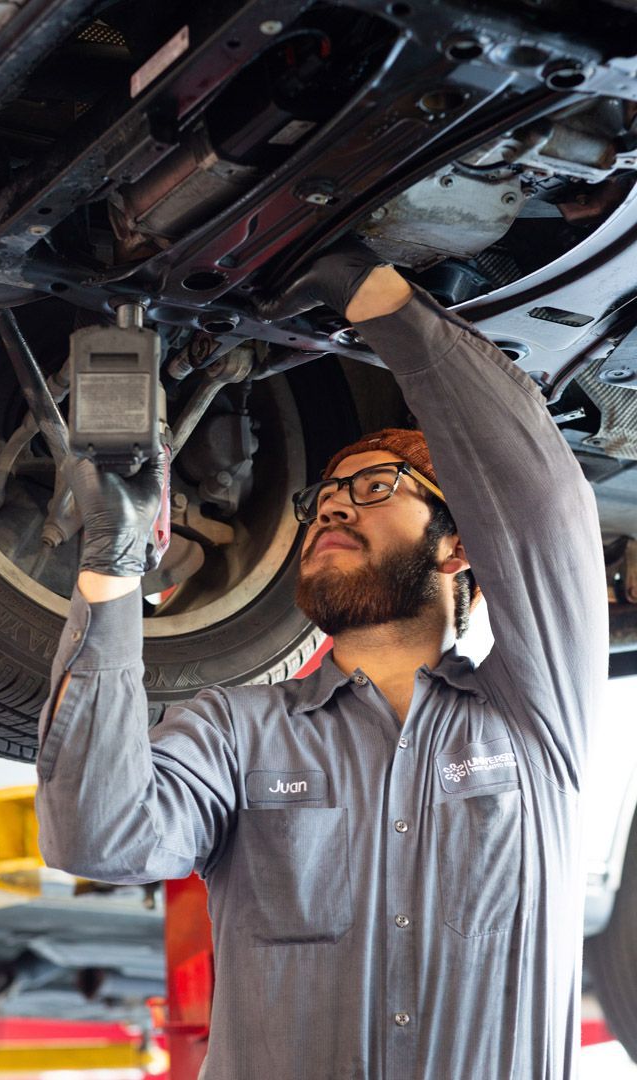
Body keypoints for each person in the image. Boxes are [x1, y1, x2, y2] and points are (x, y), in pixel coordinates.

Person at [36, 248, 608, 1080]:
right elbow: (100, 836)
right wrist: (114, 564)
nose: (331, 502)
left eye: (376, 487)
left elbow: (543, 508)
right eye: (324, 497)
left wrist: (380, 304)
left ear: (457, 549)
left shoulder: (534, 721)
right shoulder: (238, 731)